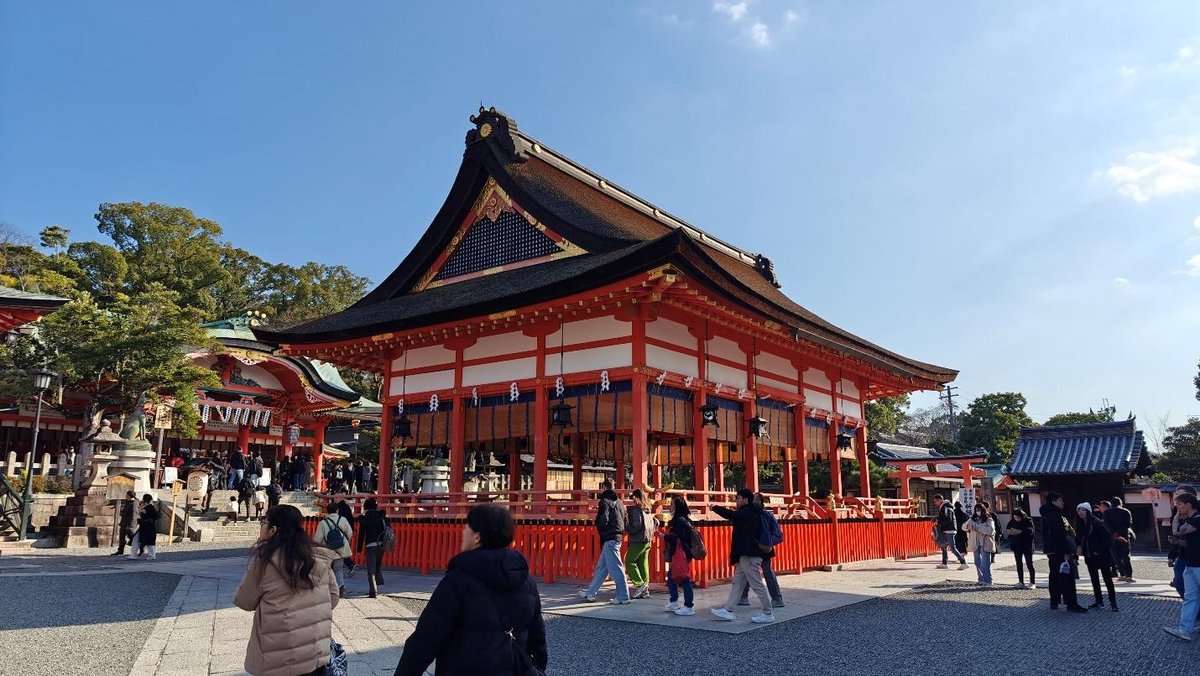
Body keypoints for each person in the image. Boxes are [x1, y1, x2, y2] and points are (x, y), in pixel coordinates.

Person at [395, 504, 547, 675]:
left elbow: (427, 639)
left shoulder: (459, 580)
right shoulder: (526, 582)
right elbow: (538, 638)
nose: (463, 532)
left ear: (477, 536)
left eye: (467, 527)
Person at [234, 504, 340, 676]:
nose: (261, 526)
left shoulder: (264, 564)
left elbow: (244, 601)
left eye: (263, 522)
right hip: (314, 654)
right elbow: (333, 598)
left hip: (276, 658)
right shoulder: (320, 559)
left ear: (273, 530)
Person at [711, 488, 774, 624]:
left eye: (738, 498)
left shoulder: (747, 512)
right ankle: (728, 609)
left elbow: (731, 515)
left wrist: (714, 507)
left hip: (750, 554)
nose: (736, 501)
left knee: (756, 584)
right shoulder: (753, 512)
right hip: (746, 554)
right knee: (737, 583)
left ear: (746, 500)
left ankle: (767, 611)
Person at [578, 480, 631, 604]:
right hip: (617, 535)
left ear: (604, 487)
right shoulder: (619, 502)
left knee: (616, 567)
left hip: (609, 536)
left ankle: (623, 596)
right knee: (602, 567)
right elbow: (625, 520)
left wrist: (600, 528)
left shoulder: (605, 501)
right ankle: (591, 592)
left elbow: (603, 519)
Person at [1041, 491, 1087, 613]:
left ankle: (1054, 601)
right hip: (1059, 550)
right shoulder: (1054, 515)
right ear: (1054, 501)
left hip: (1054, 550)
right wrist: (1066, 551)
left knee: (1055, 575)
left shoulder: (1051, 513)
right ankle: (1071, 603)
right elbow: (1059, 534)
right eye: (1060, 500)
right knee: (1067, 576)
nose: (1062, 502)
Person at [1163, 492, 1200, 641]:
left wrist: (1177, 518)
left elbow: (1177, 532)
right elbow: (1191, 543)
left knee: (1191, 597)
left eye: (1179, 504)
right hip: (1190, 564)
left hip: (1198, 565)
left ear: (1188, 505)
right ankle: (1185, 629)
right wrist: (1178, 544)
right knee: (1190, 597)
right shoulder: (1191, 520)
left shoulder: (1197, 519)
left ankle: (1185, 629)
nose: (1177, 507)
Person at [738, 492, 784, 607]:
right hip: (750, 548)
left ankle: (777, 599)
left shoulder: (767, 515)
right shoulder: (745, 514)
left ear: (761, 502)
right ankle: (743, 597)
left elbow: (778, 534)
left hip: (763, 549)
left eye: (756, 500)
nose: (754, 503)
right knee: (748, 572)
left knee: (767, 572)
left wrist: (766, 543)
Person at [1076, 502, 1118, 611]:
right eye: (1079, 510)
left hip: (1101, 555)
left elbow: (1106, 539)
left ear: (1088, 511)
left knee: (1107, 579)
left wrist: (1097, 551)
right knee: (1094, 580)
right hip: (1089, 556)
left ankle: (1113, 603)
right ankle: (1099, 601)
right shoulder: (1080, 524)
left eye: (1083, 510)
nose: (1081, 512)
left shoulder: (1097, 522)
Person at [662, 496, 696, 616]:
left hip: (682, 552)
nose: (670, 506)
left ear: (677, 507)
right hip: (682, 552)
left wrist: (664, 537)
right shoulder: (685, 519)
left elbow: (679, 538)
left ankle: (688, 606)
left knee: (684, 578)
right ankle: (674, 601)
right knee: (672, 576)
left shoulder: (679, 521)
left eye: (672, 504)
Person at [314, 501, 354, 598]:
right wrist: (344, 542)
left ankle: (329, 589)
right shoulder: (343, 520)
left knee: (327, 570)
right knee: (338, 569)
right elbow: (349, 533)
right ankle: (341, 586)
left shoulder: (323, 523)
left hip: (327, 550)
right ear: (337, 510)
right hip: (340, 548)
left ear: (327, 511)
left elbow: (317, 539)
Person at [1168, 485, 1198, 602]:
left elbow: (1178, 531)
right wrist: (1171, 555)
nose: (1177, 498)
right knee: (1179, 583)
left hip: (1196, 553)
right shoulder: (1177, 510)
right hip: (1183, 553)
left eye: (1179, 494)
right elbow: (1175, 534)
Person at [623, 488, 653, 600]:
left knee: (629, 561)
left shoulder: (636, 510)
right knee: (643, 563)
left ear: (635, 498)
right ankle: (645, 589)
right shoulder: (648, 509)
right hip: (647, 539)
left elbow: (636, 526)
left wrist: (626, 526)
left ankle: (640, 585)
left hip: (638, 539)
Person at [356, 497, 389, 598]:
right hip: (381, 544)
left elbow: (362, 534)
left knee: (371, 568)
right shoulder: (381, 516)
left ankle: (373, 590)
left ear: (366, 507)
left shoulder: (365, 518)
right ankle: (378, 583)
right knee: (377, 566)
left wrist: (359, 548)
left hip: (371, 545)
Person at [1101, 496, 1135, 582]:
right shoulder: (1126, 511)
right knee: (1126, 555)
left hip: (1113, 537)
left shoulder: (1107, 512)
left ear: (1111, 504)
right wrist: (1120, 531)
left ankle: (1122, 574)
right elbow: (1128, 524)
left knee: (1116, 556)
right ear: (1120, 503)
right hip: (1124, 535)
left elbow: (1105, 524)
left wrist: (1114, 533)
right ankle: (1129, 575)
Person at [963, 502, 996, 585]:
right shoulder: (972, 519)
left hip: (985, 543)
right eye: (976, 510)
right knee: (977, 562)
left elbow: (991, 530)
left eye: (979, 510)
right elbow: (963, 526)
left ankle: (988, 580)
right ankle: (980, 579)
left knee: (985, 563)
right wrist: (967, 526)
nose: (978, 511)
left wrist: (977, 527)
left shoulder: (988, 519)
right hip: (975, 543)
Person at [933, 495, 968, 570]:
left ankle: (963, 562)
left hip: (949, 530)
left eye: (936, 501)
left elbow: (948, 518)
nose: (935, 503)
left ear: (940, 500)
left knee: (953, 548)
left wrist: (939, 521)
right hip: (948, 529)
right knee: (943, 547)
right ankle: (944, 563)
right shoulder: (945, 507)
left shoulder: (946, 507)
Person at [1006, 508, 1036, 588]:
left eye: (1018, 518)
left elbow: (1030, 531)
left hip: (1027, 545)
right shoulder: (1013, 521)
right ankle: (1021, 581)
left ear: (1021, 516)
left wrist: (1020, 531)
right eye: (1015, 517)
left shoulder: (1028, 520)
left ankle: (1032, 582)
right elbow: (1008, 528)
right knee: (1019, 564)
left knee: (1029, 564)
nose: (1016, 519)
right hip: (1017, 545)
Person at [131, 494, 158, 560]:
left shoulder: (149, 507)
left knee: (149, 542)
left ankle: (152, 555)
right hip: (146, 527)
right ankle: (133, 554)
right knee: (137, 539)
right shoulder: (148, 506)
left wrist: (145, 512)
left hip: (148, 528)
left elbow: (154, 516)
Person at [112, 490, 136, 556]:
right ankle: (120, 550)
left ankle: (138, 548)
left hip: (129, 524)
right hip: (124, 523)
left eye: (126, 495)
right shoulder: (127, 503)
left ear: (129, 496)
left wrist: (131, 524)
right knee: (122, 537)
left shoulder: (134, 504)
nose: (125, 496)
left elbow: (133, 515)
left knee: (132, 537)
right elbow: (124, 512)